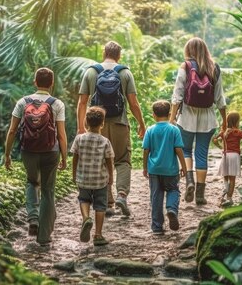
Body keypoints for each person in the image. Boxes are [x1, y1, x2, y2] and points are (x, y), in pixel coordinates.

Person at [77, 41, 146, 216]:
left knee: (101, 161)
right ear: (119, 55)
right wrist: (141, 124)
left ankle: (107, 202)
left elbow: (82, 102)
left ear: (104, 53)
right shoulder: (125, 72)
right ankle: (122, 195)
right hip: (119, 123)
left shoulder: (91, 71)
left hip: (96, 127)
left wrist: (81, 127)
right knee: (122, 160)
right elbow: (133, 103)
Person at [4, 67, 68, 247]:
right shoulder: (57, 104)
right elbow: (61, 135)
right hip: (51, 151)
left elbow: (12, 131)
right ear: (52, 83)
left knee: (32, 182)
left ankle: (33, 217)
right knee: (48, 191)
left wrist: (7, 154)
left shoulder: (23, 102)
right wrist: (64, 157)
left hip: (28, 150)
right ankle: (44, 237)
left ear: (35, 82)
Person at [170, 37, 227, 205]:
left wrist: (172, 118)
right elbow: (220, 98)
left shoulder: (186, 66)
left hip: (187, 117)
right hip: (207, 118)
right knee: (201, 154)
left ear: (189, 50)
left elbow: (177, 95)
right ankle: (200, 195)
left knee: (186, 150)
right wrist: (224, 121)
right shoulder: (214, 67)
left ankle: (189, 182)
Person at [142, 100, 188, 235]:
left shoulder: (150, 130)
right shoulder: (174, 129)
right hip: (171, 170)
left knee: (156, 196)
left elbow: (146, 150)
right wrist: (184, 168)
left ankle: (157, 227)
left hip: (154, 170)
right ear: (169, 114)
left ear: (153, 115)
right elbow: (179, 149)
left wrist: (145, 168)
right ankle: (171, 209)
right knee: (173, 190)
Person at [71, 106, 114, 246]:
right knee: (100, 206)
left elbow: (75, 158)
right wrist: (111, 177)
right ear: (102, 123)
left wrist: (74, 174)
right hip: (100, 180)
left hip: (83, 179)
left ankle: (85, 218)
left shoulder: (79, 139)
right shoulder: (105, 141)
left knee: (84, 199)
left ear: (86, 122)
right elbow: (109, 161)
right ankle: (98, 235)